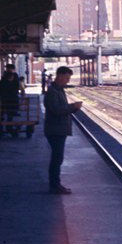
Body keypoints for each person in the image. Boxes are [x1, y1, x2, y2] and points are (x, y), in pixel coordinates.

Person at [43, 66, 82, 194]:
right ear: (59, 76)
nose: (67, 81)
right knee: (57, 158)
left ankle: (55, 184)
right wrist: (73, 106)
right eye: (66, 78)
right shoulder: (53, 91)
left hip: (58, 129)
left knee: (57, 158)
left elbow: (61, 108)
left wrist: (74, 108)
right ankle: (55, 185)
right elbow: (56, 110)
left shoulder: (58, 90)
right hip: (55, 130)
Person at [0, 64, 21, 136]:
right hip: (6, 98)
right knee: (1, 113)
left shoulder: (14, 76)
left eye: (9, 68)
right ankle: (0, 127)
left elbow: (16, 87)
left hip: (8, 98)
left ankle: (7, 127)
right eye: (7, 68)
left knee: (8, 113)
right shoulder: (5, 77)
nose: (8, 69)